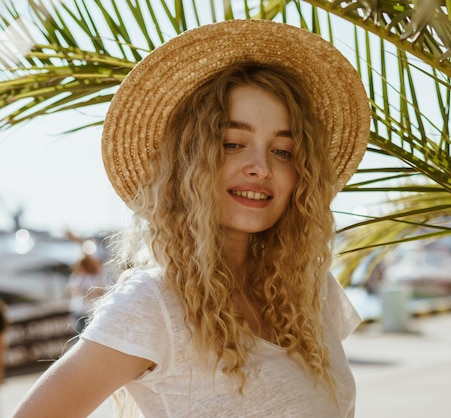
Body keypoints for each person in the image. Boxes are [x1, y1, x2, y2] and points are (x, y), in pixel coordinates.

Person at [13, 18, 370, 417]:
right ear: (188, 162)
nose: (261, 167)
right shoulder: (154, 304)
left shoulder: (310, 290)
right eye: (233, 144)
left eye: (283, 151)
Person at [66, 253, 105, 334]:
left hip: (90, 309)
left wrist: (84, 292)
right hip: (78, 309)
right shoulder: (76, 277)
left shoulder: (93, 277)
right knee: (79, 332)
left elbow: (99, 291)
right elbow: (70, 290)